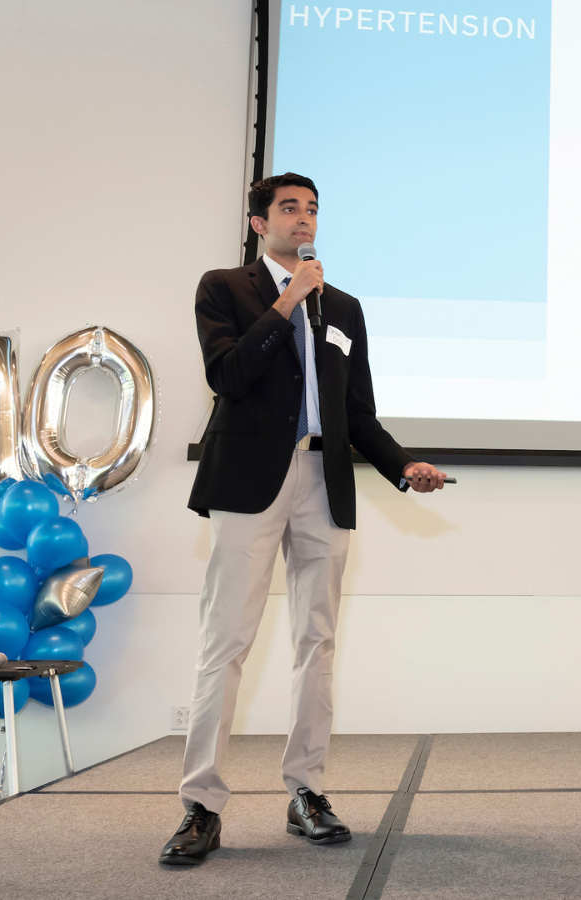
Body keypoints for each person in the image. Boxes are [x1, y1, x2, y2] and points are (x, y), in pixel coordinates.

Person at [161, 172, 449, 866]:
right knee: (225, 643)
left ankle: (306, 793)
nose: (304, 218)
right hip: (249, 480)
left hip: (326, 479)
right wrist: (288, 300)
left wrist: (401, 464)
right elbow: (226, 377)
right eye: (290, 208)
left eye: (312, 209)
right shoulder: (224, 288)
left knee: (316, 642)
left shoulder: (343, 307)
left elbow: (359, 413)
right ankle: (201, 804)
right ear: (260, 222)